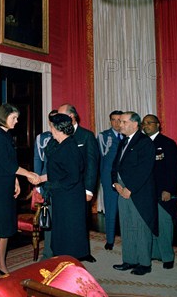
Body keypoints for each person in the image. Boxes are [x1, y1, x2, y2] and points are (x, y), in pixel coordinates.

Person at [0, 104, 39, 279]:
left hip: (7, 184)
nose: (17, 122)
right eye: (14, 118)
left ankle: (2, 262)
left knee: (7, 227)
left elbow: (10, 163)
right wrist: (28, 174)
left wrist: (16, 181)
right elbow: (8, 165)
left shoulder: (7, 136)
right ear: (4, 117)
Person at [112, 111, 157, 276]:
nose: (120, 125)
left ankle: (144, 263)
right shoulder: (123, 141)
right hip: (121, 190)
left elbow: (144, 169)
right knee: (126, 226)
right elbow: (115, 165)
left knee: (141, 227)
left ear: (134, 124)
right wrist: (115, 183)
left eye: (123, 122)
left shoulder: (145, 142)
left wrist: (129, 189)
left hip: (137, 192)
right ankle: (129, 260)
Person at [38, 113, 88, 259]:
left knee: (69, 236)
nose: (50, 129)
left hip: (70, 198)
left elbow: (72, 177)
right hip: (62, 196)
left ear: (58, 128)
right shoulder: (60, 144)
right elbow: (59, 172)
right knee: (61, 234)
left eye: (52, 127)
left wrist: (52, 186)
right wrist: (41, 178)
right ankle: (61, 262)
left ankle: (69, 268)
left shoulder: (69, 148)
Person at [58, 103, 99, 261]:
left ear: (71, 117)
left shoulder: (86, 136)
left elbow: (92, 164)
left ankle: (83, 252)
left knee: (81, 220)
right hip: (64, 187)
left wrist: (89, 189)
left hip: (80, 187)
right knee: (67, 220)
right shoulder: (59, 135)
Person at [141, 114, 177, 270]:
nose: (146, 126)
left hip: (162, 192)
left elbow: (173, 170)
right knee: (149, 225)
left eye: (149, 123)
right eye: (143, 123)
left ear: (158, 125)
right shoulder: (142, 143)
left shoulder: (167, 143)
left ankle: (167, 257)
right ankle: (154, 253)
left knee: (164, 225)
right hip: (146, 192)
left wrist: (169, 190)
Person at [97, 110, 123, 250]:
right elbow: (99, 158)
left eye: (119, 120)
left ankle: (128, 238)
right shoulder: (103, 136)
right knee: (110, 209)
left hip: (125, 179)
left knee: (127, 211)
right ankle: (110, 239)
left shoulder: (128, 136)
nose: (117, 123)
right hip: (108, 178)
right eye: (113, 120)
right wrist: (101, 178)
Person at [33, 109, 58, 259]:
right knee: (48, 216)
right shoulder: (42, 138)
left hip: (61, 183)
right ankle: (47, 253)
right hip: (46, 183)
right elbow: (38, 160)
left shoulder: (66, 137)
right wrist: (38, 184)